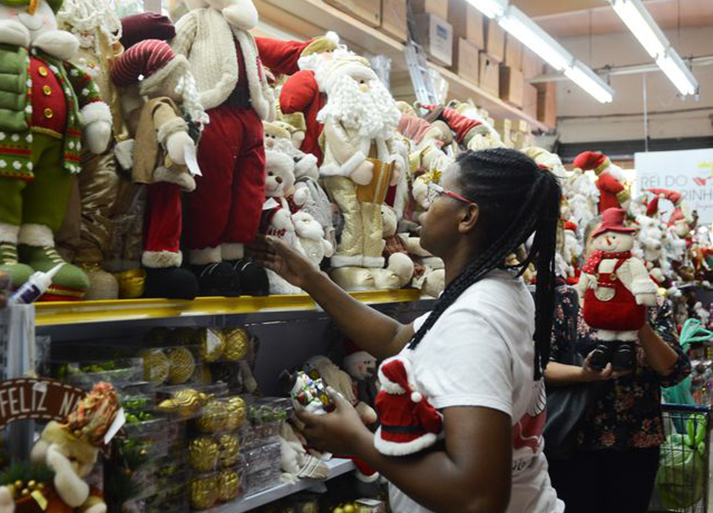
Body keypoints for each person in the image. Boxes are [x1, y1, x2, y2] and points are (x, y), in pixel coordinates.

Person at [250, 148, 564, 513]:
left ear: (468, 216)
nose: (424, 207)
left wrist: (360, 441)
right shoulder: (493, 290)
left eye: (437, 195)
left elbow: (479, 499)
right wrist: (311, 278)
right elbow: (397, 340)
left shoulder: (473, 323)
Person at [545, 217, 691, 513]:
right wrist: (584, 375)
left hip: (637, 440)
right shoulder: (565, 301)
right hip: (573, 438)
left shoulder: (653, 303)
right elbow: (539, 367)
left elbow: (673, 371)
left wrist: (637, 321)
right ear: (587, 250)